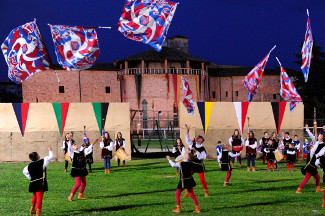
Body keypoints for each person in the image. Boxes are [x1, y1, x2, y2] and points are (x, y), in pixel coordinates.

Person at [23, 147, 54, 216]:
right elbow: (51, 157)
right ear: (38, 156)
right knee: (39, 198)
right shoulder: (42, 162)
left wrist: (31, 178)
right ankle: (38, 213)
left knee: (34, 196)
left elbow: (24, 172)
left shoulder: (28, 166)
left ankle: (32, 210)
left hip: (33, 183)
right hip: (40, 183)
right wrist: (50, 150)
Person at [297, 124, 325, 197]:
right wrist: (318, 141)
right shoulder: (314, 148)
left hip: (312, 166)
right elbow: (314, 141)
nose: (320, 136)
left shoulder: (319, 145)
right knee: (306, 179)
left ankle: (318, 188)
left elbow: (313, 137)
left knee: (318, 177)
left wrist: (307, 129)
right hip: (310, 167)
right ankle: (298, 189)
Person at [67, 137, 98, 201]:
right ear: (72, 148)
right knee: (78, 184)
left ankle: (80, 195)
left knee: (84, 183)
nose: (76, 145)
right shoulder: (72, 153)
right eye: (74, 145)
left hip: (82, 169)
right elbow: (69, 149)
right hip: (76, 170)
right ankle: (70, 196)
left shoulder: (81, 152)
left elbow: (88, 148)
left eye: (75, 144)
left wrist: (93, 143)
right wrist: (70, 141)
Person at [184, 124, 209, 197]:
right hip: (192, 164)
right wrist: (187, 130)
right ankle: (187, 192)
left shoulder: (202, 149)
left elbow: (203, 157)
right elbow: (187, 140)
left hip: (199, 165)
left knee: (202, 180)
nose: (197, 138)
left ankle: (206, 192)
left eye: (199, 138)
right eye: (197, 137)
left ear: (201, 141)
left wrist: (196, 151)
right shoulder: (193, 144)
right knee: (186, 176)